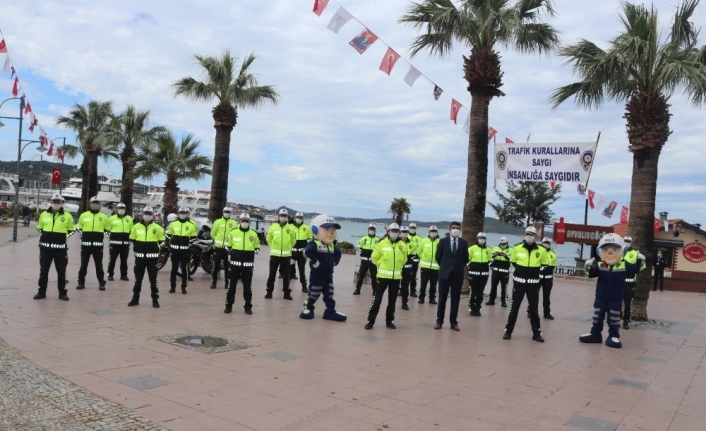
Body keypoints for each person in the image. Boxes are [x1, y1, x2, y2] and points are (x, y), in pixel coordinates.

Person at [580, 234, 642, 348]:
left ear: (622, 250)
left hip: (615, 297)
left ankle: (614, 335)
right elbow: (590, 274)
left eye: (614, 249)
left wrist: (639, 260)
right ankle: (595, 334)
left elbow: (634, 271)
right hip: (600, 296)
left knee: (613, 317)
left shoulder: (623, 265)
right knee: (597, 315)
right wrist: (588, 266)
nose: (609, 252)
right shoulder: (600, 264)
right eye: (606, 249)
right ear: (600, 252)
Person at [503, 226, 548, 342]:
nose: (529, 236)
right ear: (524, 234)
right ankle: (508, 331)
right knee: (514, 308)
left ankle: (536, 333)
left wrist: (533, 273)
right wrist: (521, 272)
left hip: (533, 285)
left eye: (531, 234)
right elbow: (513, 262)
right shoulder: (517, 248)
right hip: (519, 284)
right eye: (527, 234)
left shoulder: (541, 250)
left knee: (534, 310)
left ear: (536, 236)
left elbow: (544, 264)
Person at [300, 214, 346, 321]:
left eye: (333, 230)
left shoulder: (331, 246)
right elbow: (306, 252)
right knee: (314, 293)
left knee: (329, 294)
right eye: (327, 229)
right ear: (315, 230)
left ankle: (330, 311)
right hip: (317, 276)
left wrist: (335, 261)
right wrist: (316, 263)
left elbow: (338, 253)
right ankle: (308, 308)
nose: (331, 232)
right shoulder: (315, 244)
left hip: (328, 275)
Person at [34, 193, 75, 301]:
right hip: (45, 248)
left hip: (60, 249)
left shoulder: (67, 215)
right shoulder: (44, 214)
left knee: (61, 272)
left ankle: (62, 293)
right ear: (51, 202)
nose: (56, 203)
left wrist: (63, 237)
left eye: (58, 202)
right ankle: (41, 292)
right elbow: (39, 227)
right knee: (44, 271)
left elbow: (71, 230)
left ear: (62, 203)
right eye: (54, 201)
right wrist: (47, 236)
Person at [365, 223, 406, 329]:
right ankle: (371, 320)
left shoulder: (403, 245)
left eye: (396, 231)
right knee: (377, 300)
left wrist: (397, 266)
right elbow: (374, 257)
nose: (394, 233)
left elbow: (404, 259)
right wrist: (380, 265)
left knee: (392, 301)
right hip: (382, 277)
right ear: (388, 232)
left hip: (396, 278)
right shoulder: (381, 243)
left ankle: (389, 321)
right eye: (392, 231)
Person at [434, 222, 469, 331]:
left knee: (455, 299)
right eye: (453, 228)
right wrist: (445, 266)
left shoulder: (463, 243)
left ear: (460, 230)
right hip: (444, 274)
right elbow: (438, 256)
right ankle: (439, 321)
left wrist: (456, 266)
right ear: (449, 229)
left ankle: (453, 322)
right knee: (442, 299)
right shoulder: (443, 241)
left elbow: (465, 259)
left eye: (457, 228)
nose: (455, 230)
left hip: (457, 275)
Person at [128, 206, 164, 308]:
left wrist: (156, 248)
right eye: (146, 213)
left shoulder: (158, 228)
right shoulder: (136, 227)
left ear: (152, 215)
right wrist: (136, 247)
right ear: (142, 214)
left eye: (149, 213)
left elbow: (162, 241)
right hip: (139, 258)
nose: (147, 215)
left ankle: (155, 300)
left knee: (153, 280)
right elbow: (132, 239)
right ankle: (135, 299)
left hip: (152, 259)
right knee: (138, 279)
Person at [224, 213, 259, 314]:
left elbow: (257, 247)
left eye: (246, 220)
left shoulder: (253, 234)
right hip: (234, 265)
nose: (244, 222)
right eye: (243, 220)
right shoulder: (233, 232)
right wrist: (232, 252)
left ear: (249, 222)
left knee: (247, 288)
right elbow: (227, 245)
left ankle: (248, 306)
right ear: (239, 221)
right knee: (231, 287)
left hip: (247, 267)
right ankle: (228, 305)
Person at [76, 196, 109, 291]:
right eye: (93, 202)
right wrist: (84, 235)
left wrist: (100, 235)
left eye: (97, 203)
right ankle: (81, 282)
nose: (95, 204)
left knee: (99, 265)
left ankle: (101, 283)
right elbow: (79, 227)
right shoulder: (84, 215)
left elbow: (107, 229)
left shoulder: (104, 216)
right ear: (89, 204)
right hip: (86, 245)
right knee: (83, 265)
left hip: (98, 246)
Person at [265, 208, 296, 300]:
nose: (283, 217)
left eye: (285, 216)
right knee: (272, 274)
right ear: (278, 216)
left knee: (286, 275)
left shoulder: (291, 228)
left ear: (287, 217)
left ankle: (286, 293)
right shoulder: (272, 227)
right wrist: (272, 246)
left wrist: (288, 247)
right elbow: (268, 239)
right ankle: (269, 292)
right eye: (281, 215)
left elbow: (293, 241)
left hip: (286, 256)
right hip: (274, 255)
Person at [166, 207, 197, 294]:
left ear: (186, 214)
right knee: (174, 269)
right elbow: (168, 235)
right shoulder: (174, 224)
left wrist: (188, 243)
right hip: (174, 250)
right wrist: (170, 245)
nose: (182, 214)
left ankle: (184, 287)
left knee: (184, 269)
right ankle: (172, 287)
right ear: (178, 214)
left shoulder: (190, 225)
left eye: (184, 213)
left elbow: (194, 237)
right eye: (181, 213)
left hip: (185, 251)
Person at [622, 236, 646, 329]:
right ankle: (615, 319)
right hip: (619, 281)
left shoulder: (636, 253)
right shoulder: (619, 252)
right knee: (616, 301)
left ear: (631, 242)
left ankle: (626, 321)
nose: (627, 242)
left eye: (628, 241)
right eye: (625, 241)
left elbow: (642, 267)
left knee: (628, 303)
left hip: (630, 281)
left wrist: (641, 261)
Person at [211, 207, 237, 290]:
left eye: (228, 211)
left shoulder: (233, 223)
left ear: (230, 213)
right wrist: (217, 241)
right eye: (225, 211)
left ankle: (226, 283)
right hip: (218, 248)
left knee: (227, 267)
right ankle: (214, 282)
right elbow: (213, 233)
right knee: (216, 266)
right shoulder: (217, 222)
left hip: (228, 249)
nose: (227, 213)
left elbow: (235, 234)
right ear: (223, 212)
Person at [107, 202, 134, 282]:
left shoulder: (129, 219)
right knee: (112, 260)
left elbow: (131, 230)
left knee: (124, 261)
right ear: (116, 209)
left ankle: (124, 275)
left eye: (123, 208)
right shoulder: (111, 219)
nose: (121, 210)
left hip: (125, 244)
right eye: (120, 208)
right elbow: (108, 230)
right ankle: (110, 274)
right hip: (114, 244)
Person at [467, 232, 492, 317]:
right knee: (473, 292)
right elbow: (467, 259)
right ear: (477, 239)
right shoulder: (472, 248)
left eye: (483, 238)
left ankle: (478, 308)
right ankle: (471, 307)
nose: (482, 239)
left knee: (480, 292)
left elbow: (490, 260)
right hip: (473, 274)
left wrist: (485, 266)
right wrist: (471, 266)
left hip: (484, 275)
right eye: (480, 238)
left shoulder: (488, 249)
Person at [417, 225, 440, 304]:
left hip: (436, 267)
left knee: (433, 285)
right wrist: (423, 257)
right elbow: (419, 251)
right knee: (423, 283)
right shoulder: (424, 241)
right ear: (429, 232)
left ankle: (432, 298)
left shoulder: (440, 242)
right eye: (431, 231)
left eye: (434, 231)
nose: (433, 233)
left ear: (437, 233)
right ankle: (421, 298)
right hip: (425, 266)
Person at [354, 223, 379, 295]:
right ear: (368, 229)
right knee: (361, 275)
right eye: (370, 229)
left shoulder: (377, 240)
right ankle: (357, 289)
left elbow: (379, 249)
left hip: (373, 261)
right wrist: (360, 249)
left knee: (374, 277)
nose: (371, 230)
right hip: (364, 260)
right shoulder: (364, 238)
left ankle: (375, 291)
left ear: (375, 230)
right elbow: (359, 245)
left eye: (373, 229)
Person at [290, 211, 312, 292]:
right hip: (292, 253)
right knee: (290, 269)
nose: (299, 219)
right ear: (295, 218)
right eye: (298, 217)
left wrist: (308, 250)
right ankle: (286, 286)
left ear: (303, 218)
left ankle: (304, 286)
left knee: (301, 270)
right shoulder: (290, 227)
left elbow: (309, 240)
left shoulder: (307, 227)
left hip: (302, 253)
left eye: (300, 218)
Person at [487, 237, 512, 307]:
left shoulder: (511, 250)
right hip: (495, 271)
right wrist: (494, 254)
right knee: (493, 286)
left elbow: (512, 260)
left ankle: (503, 302)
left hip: (504, 272)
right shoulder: (495, 247)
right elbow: (490, 257)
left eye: (504, 244)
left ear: (507, 243)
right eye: (501, 244)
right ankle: (491, 300)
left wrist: (506, 256)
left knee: (504, 287)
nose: (502, 245)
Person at [398, 226, 416, 311]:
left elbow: (413, 255)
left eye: (406, 231)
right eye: (403, 231)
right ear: (400, 232)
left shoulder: (412, 243)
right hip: (397, 268)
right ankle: (392, 302)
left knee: (405, 286)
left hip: (407, 268)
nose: (404, 233)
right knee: (394, 286)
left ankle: (404, 303)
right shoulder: (396, 242)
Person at [539, 237, 557, 319]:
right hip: (538, 277)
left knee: (546, 296)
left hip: (548, 279)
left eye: (547, 243)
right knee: (533, 295)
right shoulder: (538, 252)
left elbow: (553, 266)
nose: (546, 244)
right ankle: (530, 311)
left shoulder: (553, 254)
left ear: (549, 244)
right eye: (544, 243)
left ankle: (547, 313)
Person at [407, 222, 422, 297]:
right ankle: (401, 289)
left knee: (413, 276)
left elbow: (421, 249)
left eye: (414, 228)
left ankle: (413, 291)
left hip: (415, 261)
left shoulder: (419, 238)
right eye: (411, 227)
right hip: (405, 260)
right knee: (403, 276)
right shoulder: (405, 236)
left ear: (416, 229)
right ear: (409, 228)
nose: (412, 229)